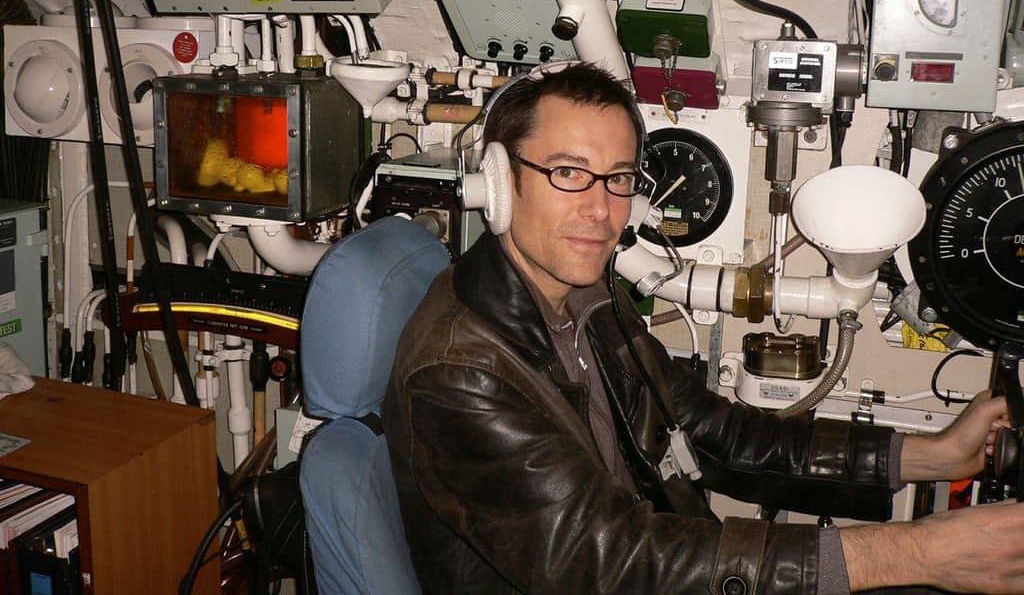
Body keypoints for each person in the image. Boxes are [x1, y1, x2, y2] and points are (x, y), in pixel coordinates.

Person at [382, 63, 1024, 594]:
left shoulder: (590, 300)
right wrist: (909, 556)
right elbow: (607, 560)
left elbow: (718, 434)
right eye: (569, 173)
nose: (601, 209)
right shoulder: (460, 372)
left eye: (619, 179)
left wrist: (929, 455)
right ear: (499, 181)